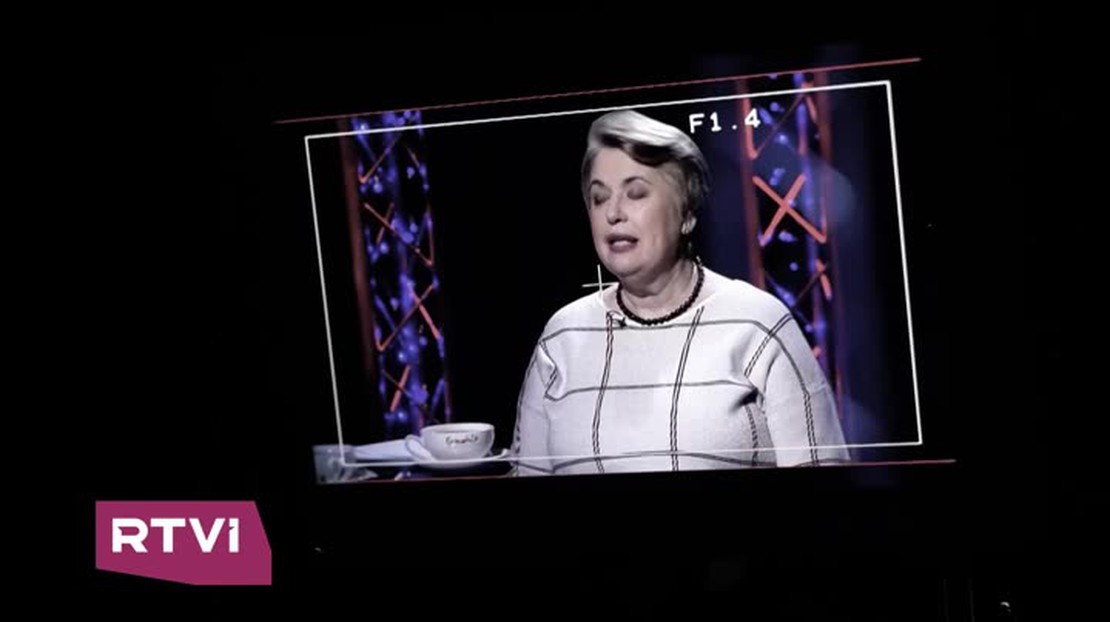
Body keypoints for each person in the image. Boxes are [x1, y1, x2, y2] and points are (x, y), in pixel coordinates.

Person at [511, 110, 849, 476]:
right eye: (598, 198)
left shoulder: (757, 323)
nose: (613, 213)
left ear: (686, 214)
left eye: (636, 194)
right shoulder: (562, 335)